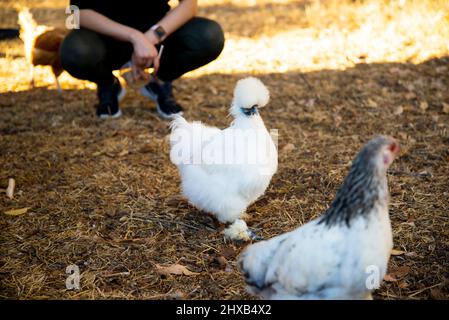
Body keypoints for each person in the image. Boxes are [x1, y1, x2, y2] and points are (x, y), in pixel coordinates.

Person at [61, 0, 224, 119]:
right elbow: (75, 14)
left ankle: (160, 80)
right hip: (105, 38)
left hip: (158, 35)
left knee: (209, 36)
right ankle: (108, 84)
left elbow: (189, 5)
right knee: (74, 51)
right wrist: (135, 37)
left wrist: (152, 37)